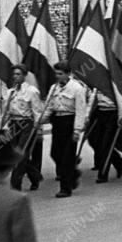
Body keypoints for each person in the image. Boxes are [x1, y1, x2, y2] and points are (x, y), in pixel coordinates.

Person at [40, 62, 86, 198]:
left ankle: (65, 189)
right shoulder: (54, 88)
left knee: (67, 157)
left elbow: (80, 110)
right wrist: (42, 119)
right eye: (56, 73)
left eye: (60, 73)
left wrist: (77, 130)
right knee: (55, 153)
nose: (57, 76)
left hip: (69, 122)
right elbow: (49, 105)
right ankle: (73, 172)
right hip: (57, 122)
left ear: (68, 74)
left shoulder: (77, 88)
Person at [0, 64, 44, 192]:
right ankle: (35, 176)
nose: (15, 77)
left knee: (21, 154)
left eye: (18, 74)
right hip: (14, 124)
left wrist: (38, 130)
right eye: (14, 74)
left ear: (24, 75)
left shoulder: (31, 91)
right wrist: (2, 126)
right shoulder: (10, 92)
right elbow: (6, 112)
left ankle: (15, 185)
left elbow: (37, 112)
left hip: (26, 124)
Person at [88, 80, 122, 183]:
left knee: (106, 144)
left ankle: (103, 174)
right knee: (95, 141)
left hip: (112, 113)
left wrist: (121, 117)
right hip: (99, 113)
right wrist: (87, 115)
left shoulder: (115, 82)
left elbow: (121, 99)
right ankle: (119, 162)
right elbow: (93, 98)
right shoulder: (98, 80)